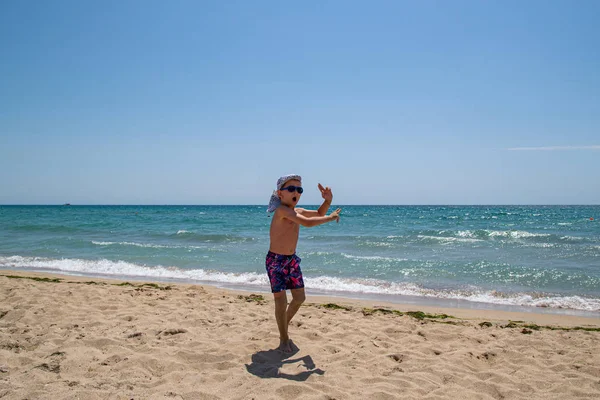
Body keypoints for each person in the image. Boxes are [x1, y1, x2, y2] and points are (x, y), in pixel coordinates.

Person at [266, 174, 341, 353]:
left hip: (291, 261)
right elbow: (308, 223)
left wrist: (328, 201)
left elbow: (318, 213)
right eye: (291, 189)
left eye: (299, 190)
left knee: (300, 298)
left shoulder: (296, 211)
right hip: (276, 262)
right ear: (280, 193)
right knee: (281, 301)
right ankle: (284, 338)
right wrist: (330, 219)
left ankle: (283, 325)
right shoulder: (282, 212)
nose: (296, 192)